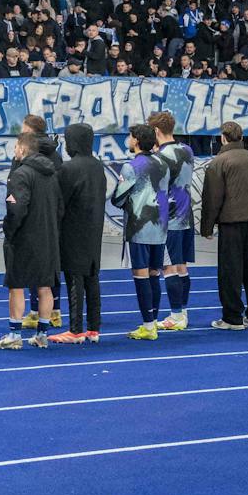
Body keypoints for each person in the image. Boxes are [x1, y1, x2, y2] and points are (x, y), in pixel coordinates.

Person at [0, 131, 64, 350]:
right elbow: (60, 207)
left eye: (15, 146)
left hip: (24, 238)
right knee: (45, 286)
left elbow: (16, 208)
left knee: (16, 286)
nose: (14, 150)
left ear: (23, 149)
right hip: (49, 238)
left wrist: (10, 230)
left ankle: (14, 335)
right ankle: (42, 334)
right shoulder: (51, 173)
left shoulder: (21, 174)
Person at [202, 121, 248, 331]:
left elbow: (212, 198)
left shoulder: (219, 162)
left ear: (223, 137)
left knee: (230, 270)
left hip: (232, 222)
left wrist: (207, 227)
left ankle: (232, 317)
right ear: (241, 138)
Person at [111, 124, 170, 341]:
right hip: (160, 225)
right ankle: (152, 321)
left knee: (141, 274)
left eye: (129, 136)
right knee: (155, 273)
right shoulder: (164, 163)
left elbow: (117, 198)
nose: (128, 139)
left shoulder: (131, 167)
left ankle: (147, 325)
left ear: (136, 140)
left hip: (139, 226)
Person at [52, 122, 107, 343]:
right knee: (92, 277)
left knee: (74, 278)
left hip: (73, 230)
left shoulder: (69, 168)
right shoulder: (97, 166)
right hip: (94, 228)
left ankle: (75, 329)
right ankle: (94, 328)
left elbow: (60, 202)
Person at [149, 111, 197, 331]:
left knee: (168, 267)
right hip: (186, 213)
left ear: (156, 131)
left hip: (170, 216)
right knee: (182, 265)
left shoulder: (162, 157)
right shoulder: (187, 150)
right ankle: (182, 311)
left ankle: (176, 314)